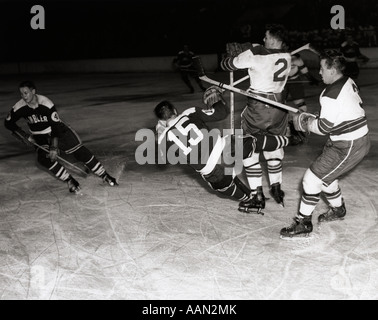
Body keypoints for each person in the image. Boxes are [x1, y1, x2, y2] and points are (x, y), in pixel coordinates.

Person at [154, 86, 295, 214]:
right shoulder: (189, 113)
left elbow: (162, 161)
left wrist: (160, 133)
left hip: (212, 171)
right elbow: (221, 113)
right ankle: (290, 139)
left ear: (160, 120)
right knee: (253, 141)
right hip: (226, 151)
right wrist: (216, 101)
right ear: (175, 111)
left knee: (222, 186)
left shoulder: (163, 139)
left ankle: (252, 198)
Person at [280, 50, 370, 238]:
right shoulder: (347, 81)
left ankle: (303, 222)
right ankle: (338, 209)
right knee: (326, 177)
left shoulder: (330, 94)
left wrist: (303, 122)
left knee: (312, 179)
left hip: (348, 144)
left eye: (322, 68)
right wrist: (310, 118)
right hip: (352, 140)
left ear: (332, 69)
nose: (319, 72)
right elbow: (338, 116)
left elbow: (323, 127)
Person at [220, 24, 291, 210]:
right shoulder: (287, 55)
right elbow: (262, 53)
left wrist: (231, 57)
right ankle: (276, 187)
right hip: (280, 106)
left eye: (266, 37)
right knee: (273, 144)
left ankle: (256, 195)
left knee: (247, 146)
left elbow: (228, 65)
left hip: (259, 107)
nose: (263, 39)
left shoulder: (256, 54)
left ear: (274, 39)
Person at [4, 81, 118, 194]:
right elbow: (8, 123)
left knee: (80, 152)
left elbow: (55, 126)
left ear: (33, 91)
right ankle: (70, 180)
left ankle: (105, 175)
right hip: (39, 137)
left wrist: (53, 147)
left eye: (26, 93)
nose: (23, 97)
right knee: (44, 158)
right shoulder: (19, 107)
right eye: (21, 94)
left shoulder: (46, 104)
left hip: (57, 130)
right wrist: (23, 135)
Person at [284, 53, 320, 145]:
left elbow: (304, 70)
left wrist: (311, 78)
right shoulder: (277, 57)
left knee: (301, 106)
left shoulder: (296, 59)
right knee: (280, 106)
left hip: (295, 82)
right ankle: (288, 129)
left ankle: (296, 130)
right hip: (281, 83)